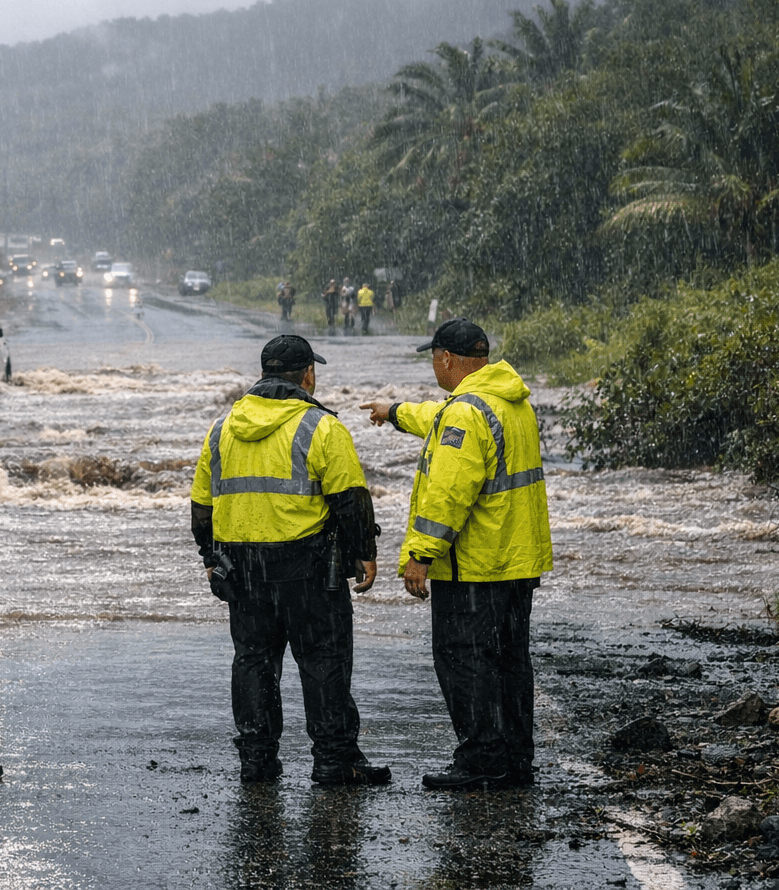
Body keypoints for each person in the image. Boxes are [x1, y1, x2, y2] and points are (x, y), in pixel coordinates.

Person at [357, 319, 553, 789]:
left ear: (446, 359)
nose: (433, 365)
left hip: (474, 567)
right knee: (509, 660)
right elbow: (440, 418)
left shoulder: (466, 412)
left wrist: (420, 554)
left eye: (433, 357)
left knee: (465, 660)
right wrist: (395, 411)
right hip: (515, 562)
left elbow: (449, 492)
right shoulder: (507, 401)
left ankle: (482, 762)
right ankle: (514, 758)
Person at [191, 335, 391, 786]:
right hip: (309, 570)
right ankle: (334, 763)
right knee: (324, 662)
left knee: (253, 662)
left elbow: (202, 505)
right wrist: (364, 552)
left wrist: (210, 556)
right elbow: (351, 499)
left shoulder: (222, 428)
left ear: (263, 375)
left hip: (242, 571)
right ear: (308, 376)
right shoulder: (321, 427)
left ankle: (257, 761)